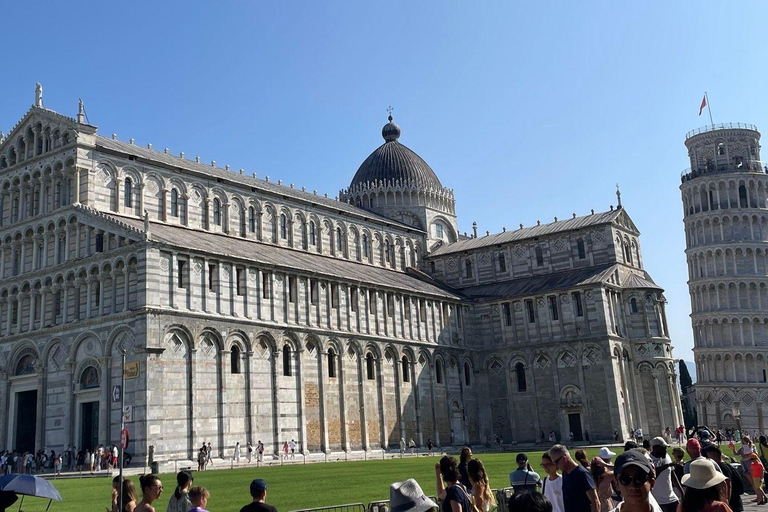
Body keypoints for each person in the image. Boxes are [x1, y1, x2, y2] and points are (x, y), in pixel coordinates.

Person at [548, 444, 599, 512]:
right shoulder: (565, 473)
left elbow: (595, 502)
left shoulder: (582, 474)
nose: (556, 466)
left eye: (556, 462)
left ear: (564, 458)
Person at [702, 445, 743, 512]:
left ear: (714, 456)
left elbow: (727, 485)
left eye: (709, 457)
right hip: (736, 502)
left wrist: (725, 502)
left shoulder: (721, 469)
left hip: (730, 504)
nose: (708, 460)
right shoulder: (729, 466)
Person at [649, 437, 680, 512]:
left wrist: (681, 492)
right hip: (657, 500)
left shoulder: (667, 457)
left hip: (671, 497)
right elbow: (653, 474)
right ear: (655, 448)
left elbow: (672, 475)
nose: (665, 451)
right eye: (663, 448)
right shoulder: (649, 459)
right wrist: (668, 465)